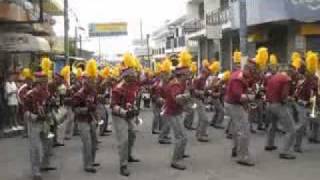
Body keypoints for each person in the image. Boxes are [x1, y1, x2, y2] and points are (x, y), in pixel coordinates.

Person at [111, 53, 141, 176]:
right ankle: (123, 165)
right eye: (132, 73)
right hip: (119, 116)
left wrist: (134, 109)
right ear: (126, 76)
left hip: (129, 114)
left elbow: (133, 100)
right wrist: (124, 112)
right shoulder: (117, 88)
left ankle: (128, 156)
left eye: (135, 72)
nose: (135, 75)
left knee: (133, 133)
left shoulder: (134, 85)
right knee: (123, 140)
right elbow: (112, 106)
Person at [163, 50, 193, 170]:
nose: (189, 75)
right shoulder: (175, 84)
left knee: (182, 136)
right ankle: (175, 161)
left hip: (177, 112)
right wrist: (188, 95)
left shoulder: (182, 83)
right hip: (171, 113)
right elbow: (178, 99)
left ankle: (180, 153)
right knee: (181, 137)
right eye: (187, 73)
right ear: (182, 74)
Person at [224, 60, 258, 166]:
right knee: (245, 131)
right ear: (247, 69)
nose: (252, 74)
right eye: (252, 71)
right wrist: (251, 97)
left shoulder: (240, 74)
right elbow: (239, 96)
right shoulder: (237, 79)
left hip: (232, 104)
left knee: (236, 128)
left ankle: (236, 149)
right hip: (235, 105)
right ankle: (242, 157)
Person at [24, 71, 57, 180]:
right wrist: (35, 116)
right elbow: (25, 112)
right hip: (34, 123)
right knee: (35, 148)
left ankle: (45, 164)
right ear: (38, 82)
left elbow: (50, 107)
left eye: (46, 81)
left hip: (45, 122)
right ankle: (36, 171)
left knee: (49, 142)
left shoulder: (47, 93)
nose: (46, 83)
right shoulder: (29, 95)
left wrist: (51, 110)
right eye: (44, 81)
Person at [72, 59, 99, 173]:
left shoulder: (93, 92)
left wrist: (96, 118)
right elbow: (75, 109)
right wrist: (85, 109)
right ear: (86, 81)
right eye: (91, 79)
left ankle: (91, 161)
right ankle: (87, 164)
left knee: (94, 141)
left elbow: (95, 105)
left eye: (94, 79)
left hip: (91, 119)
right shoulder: (79, 94)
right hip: (82, 121)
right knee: (87, 142)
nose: (94, 81)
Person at [265, 67, 297, 160]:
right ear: (289, 72)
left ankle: (269, 144)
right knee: (291, 129)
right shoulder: (286, 79)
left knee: (272, 125)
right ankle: (285, 152)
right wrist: (289, 100)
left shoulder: (273, 77)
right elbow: (284, 95)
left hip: (269, 104)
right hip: (278, 105)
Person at [293, 52, 318, 153]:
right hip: (302, 105)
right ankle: (296, 145)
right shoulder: (303, 79)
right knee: (302, 125)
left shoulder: (315, 79)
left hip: (312, 105)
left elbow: (315, 92)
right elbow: (298, 92)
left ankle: (312, 137)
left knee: (316, 121)